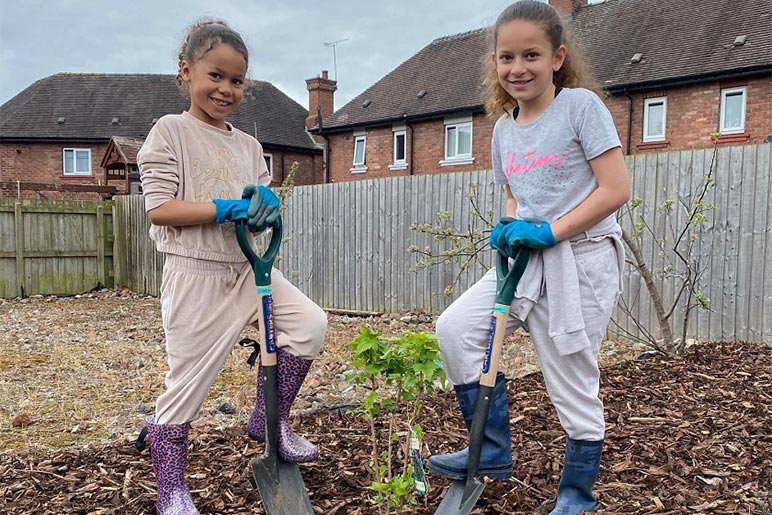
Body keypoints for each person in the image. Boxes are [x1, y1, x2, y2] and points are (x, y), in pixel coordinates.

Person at [426, 2, 631, 514]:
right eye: (507, 57)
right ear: (495, 63)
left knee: (572, 383)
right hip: (526, 262)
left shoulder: (581, 107)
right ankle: (491, 450)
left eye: (532, 55)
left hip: (580, 261)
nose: (518, 68)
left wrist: (551, 231)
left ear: (557, 57)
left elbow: (615, 189)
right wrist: (512, 224)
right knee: (456, 329)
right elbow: (516, 196)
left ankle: (576, 496)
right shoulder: (503, 129)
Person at [137, 19, 327, 515]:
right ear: (187, 72)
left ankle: (270, 422)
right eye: (215, 76)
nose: (226, 89)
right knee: (187, 386)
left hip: (247, 269)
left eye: (237, 81)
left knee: (309, 325)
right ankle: (172, 488)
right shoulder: (170, 132)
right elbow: (159, 208)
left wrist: (266, 210)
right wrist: (224, 208)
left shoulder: (249, 146)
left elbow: (260, 222)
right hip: (194, 274)